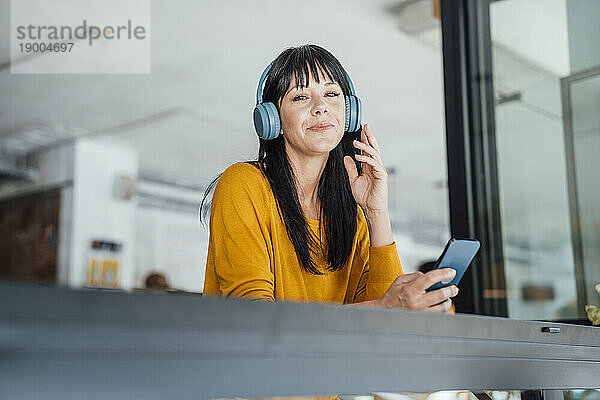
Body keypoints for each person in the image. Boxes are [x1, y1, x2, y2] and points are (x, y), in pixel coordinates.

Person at [201, 44, 458, 312]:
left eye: (331, 94)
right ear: (272, 118)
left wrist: (376, 211)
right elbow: (254, 316)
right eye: (300, 97)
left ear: (349, 113)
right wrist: (386, 307)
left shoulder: (352, 212)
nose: (321, 107)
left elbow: (388, 325)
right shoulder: (243, 184)